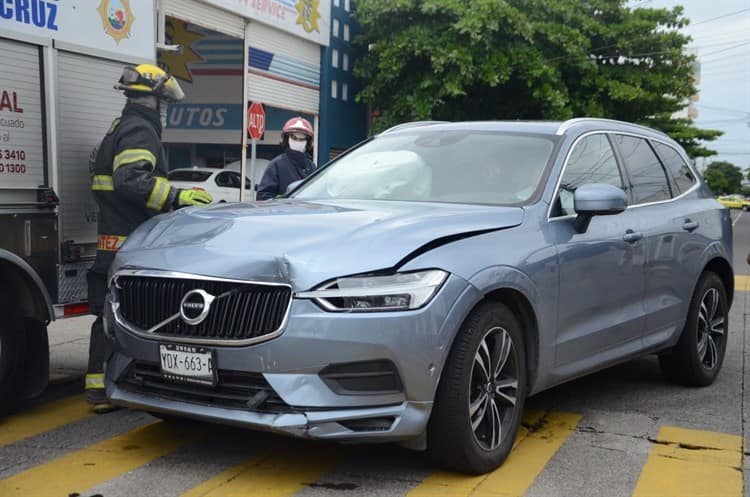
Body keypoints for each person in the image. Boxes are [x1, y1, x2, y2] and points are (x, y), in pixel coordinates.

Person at [86, 64, 213, 413]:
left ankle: (99, 386)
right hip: (131, 238)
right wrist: (177, 198)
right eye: (164, 104)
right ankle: (115, 386)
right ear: (153, 100)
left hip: (115, 236)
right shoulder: (140, 130)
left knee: (110, 313)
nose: (166, 111)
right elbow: (130, 179)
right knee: (130, 313)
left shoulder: (121, 127)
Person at [257, 117, 316, 200]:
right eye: (294, 137)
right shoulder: (277, 165)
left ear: (308, 142)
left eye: (302, 138)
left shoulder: (311, 166)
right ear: (286, 139)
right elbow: (263, 197)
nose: (298, 141)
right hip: (285, 211)